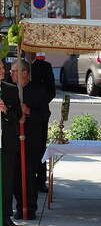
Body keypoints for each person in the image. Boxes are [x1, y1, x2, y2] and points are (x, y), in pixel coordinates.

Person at [12, 60, 49, 220]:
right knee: (15, 176)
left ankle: (30, 208)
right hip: (13, 139)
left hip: (31, 140)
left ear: (25, 73)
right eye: (11, 71)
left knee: (28, 176)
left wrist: (28, 111)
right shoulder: (9, 89)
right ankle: (20, 206)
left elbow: (44, 115)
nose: (11, 73)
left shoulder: (38, 90)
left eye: (15, 71)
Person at [0, 60, 22, 226]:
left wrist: (6, 110)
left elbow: (18, 116)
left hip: (6, 144)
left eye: (2, 67)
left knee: (6, 183)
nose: (3, 70)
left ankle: (5, 217)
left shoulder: (10, 89)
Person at [31, 52, 56, 193]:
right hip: (21, 114)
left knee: (40, 146)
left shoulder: (45, 66)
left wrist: (38, 104)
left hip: (40, 114)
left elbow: (51, 91)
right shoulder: (16, 65)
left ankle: (40, 181)